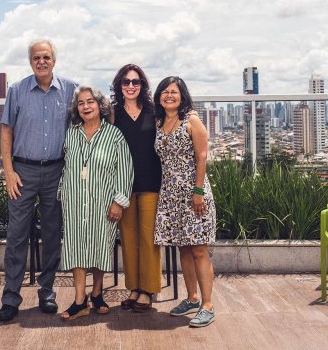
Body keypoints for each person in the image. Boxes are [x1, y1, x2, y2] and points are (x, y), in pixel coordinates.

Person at [0, 39, 78, 323]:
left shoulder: (71, 90)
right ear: (30, 62)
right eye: (36, 58)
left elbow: (93, 119)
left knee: (53, 235)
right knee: (17, 236)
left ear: (54, 60)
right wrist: (9, 172)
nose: (41, 61)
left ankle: (47, 292)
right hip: (23, 172)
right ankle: (10, 298)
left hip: (56, 172)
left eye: (46, 57)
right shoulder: (17, 91)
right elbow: (6, 131)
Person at [59, 86, 133, 320]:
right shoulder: (71, 133)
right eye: (81, 103)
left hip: (104, 203)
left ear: (100, 106)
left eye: (90, 102)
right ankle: (80, 301)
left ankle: (98, 294)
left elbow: (125, 170)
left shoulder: (114, 135)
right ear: (77, 109)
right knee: (76, 248)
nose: (86, 107)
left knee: (101, 247)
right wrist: (63, 192)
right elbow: (65, 166)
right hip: (74, 201)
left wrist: (118, 202)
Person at [153, 76, 217, 328]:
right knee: (183, 247)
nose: (169, 96)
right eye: (165, 92)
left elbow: (202, 156)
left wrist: (198, 191)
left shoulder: (192, 120)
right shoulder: (159, 122)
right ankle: (191, 298)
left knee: (199, 249)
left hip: (193, 193)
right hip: (170, 195)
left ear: (182, 96)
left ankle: (208, 304)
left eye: (174, 92)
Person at [110, 64, 162, 312]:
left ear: (143, 85)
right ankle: (133, 288)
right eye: (126, 82)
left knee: (149, 239)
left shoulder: (154, 111)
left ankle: (148, 289)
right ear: (119, 86)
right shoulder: (113, 114)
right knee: (128, 239)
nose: (131, 86)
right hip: (124, 187)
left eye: (136, 82)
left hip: (152, 183)